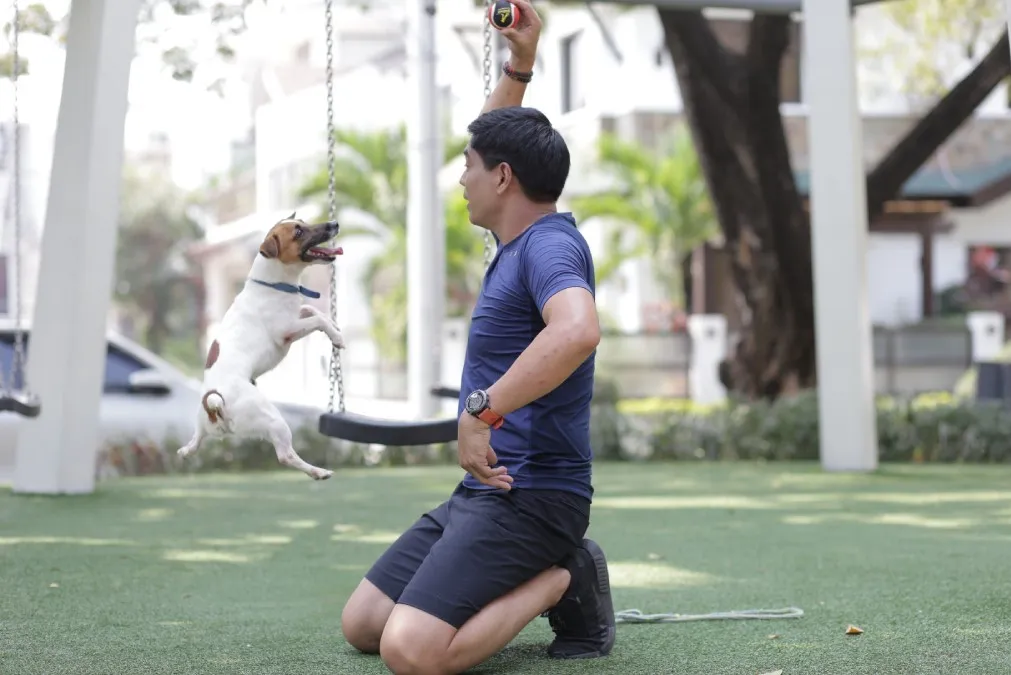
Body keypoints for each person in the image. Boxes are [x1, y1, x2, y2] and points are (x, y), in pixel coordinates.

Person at [339, 2, 615, 673]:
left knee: (410, 650)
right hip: (484, 492)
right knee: (364, 624)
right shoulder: (515, 236)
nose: (460, 178)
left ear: (501, 178)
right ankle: (536, 569)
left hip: (536, 497)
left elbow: (577, 330)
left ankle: (565, 573)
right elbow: (498, 137)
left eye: (468, 166)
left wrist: (481, 410)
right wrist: (520, 62)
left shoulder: (549, 248)